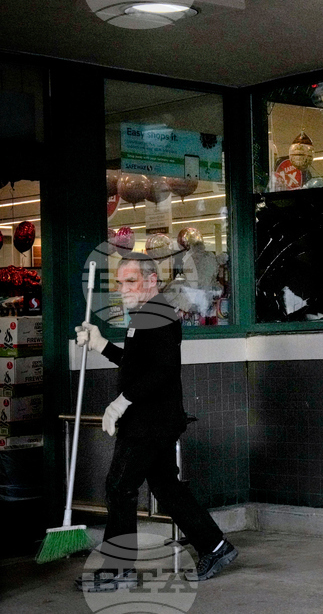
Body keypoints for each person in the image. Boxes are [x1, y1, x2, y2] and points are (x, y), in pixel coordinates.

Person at [74, 252, 237, 591]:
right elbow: (136, 365)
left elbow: (162, 372)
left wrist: (121, 402)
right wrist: (102, 344)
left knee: (119, 486)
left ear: (150, 281)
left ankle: (118, 569)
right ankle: (216, 546)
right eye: (119, 282)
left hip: (148, 423)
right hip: (156, 419)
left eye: (130, 281)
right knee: (165, 486)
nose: (123, 289)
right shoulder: (146, 315)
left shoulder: (158, 315)